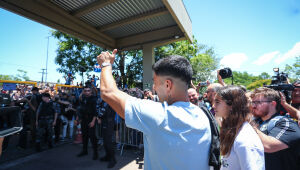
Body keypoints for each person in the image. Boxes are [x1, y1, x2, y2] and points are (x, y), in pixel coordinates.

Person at [97, 49, 211, 170]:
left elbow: (108, 92)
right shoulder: (202, 114)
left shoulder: (161, 115)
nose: (154, 88)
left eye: (155, 83)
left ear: (168, 85)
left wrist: (106, 64)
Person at [213, 86, 265, 170]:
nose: (213, 106)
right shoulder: (232, 131)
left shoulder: (244, 139)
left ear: (231, 105)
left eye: (217, 102)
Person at [251, 87, 300, 170]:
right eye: (253, 102)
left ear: (273, 104)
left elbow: (269, 146)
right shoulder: (257, 122)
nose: (253, 106)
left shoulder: (286, 123)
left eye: (258, 102)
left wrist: (250, 125)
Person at [77, 86, 98, 160]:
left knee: (92, 137)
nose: (87, 92)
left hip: (91, 119)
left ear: (91, 91)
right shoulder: (83, 98)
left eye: (88, 90)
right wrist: (79, 118)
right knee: (84, 136)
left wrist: (93, 121)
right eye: (85, 91)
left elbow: (96, 112)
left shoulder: (94, 99)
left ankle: (95, 153)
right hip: (84, 119)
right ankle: (84, 151)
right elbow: (80, 106)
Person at [99, 100, 117, 168]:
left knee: (108, 142)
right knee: (105, 142)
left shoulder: (110, 101)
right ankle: (107, 156)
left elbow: (102, 112)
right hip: (105, 122)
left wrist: (99, 116)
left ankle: (113, 159)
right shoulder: (104, 101)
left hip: (109, 123)